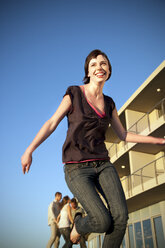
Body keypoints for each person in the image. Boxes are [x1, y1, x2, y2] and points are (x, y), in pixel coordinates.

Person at [21, 49, 165, 248]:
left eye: (103, 63)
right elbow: (52, 122)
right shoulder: (74, 93)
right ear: (88, 72)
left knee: (121, 218)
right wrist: (30, 150)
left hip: (103, 165)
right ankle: (79, 224)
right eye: (94, 64)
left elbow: (124, 135)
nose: (99, 67)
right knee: (102, 220)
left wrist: (159, 141)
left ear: (109, 70)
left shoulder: (109, 103)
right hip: (76, 168)